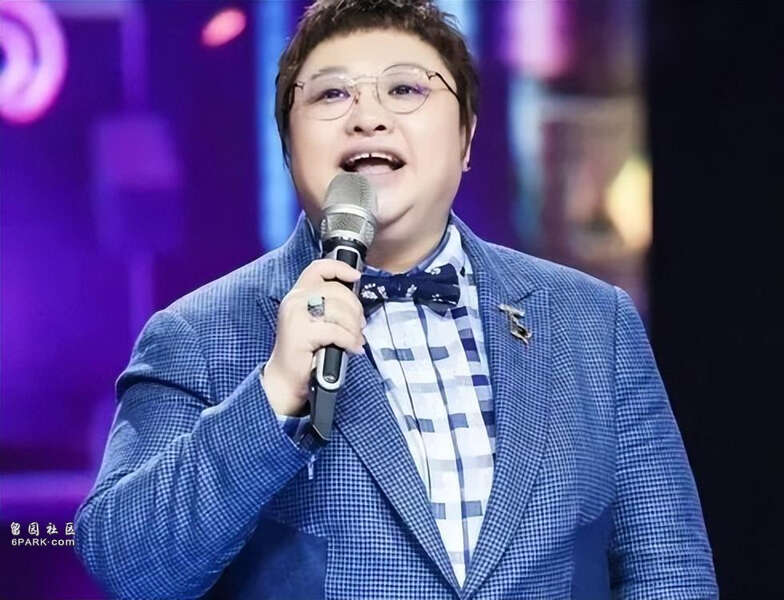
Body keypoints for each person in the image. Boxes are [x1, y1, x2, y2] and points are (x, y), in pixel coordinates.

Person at [74, 1, 718, 598]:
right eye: (331, 94)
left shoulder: (594, 322)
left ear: (467, 137)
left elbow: (669, 569)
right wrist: (272, 396)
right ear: (288, 147)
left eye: (406, 89)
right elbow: (129, 565)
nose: (368, 117)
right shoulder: (197, 333)